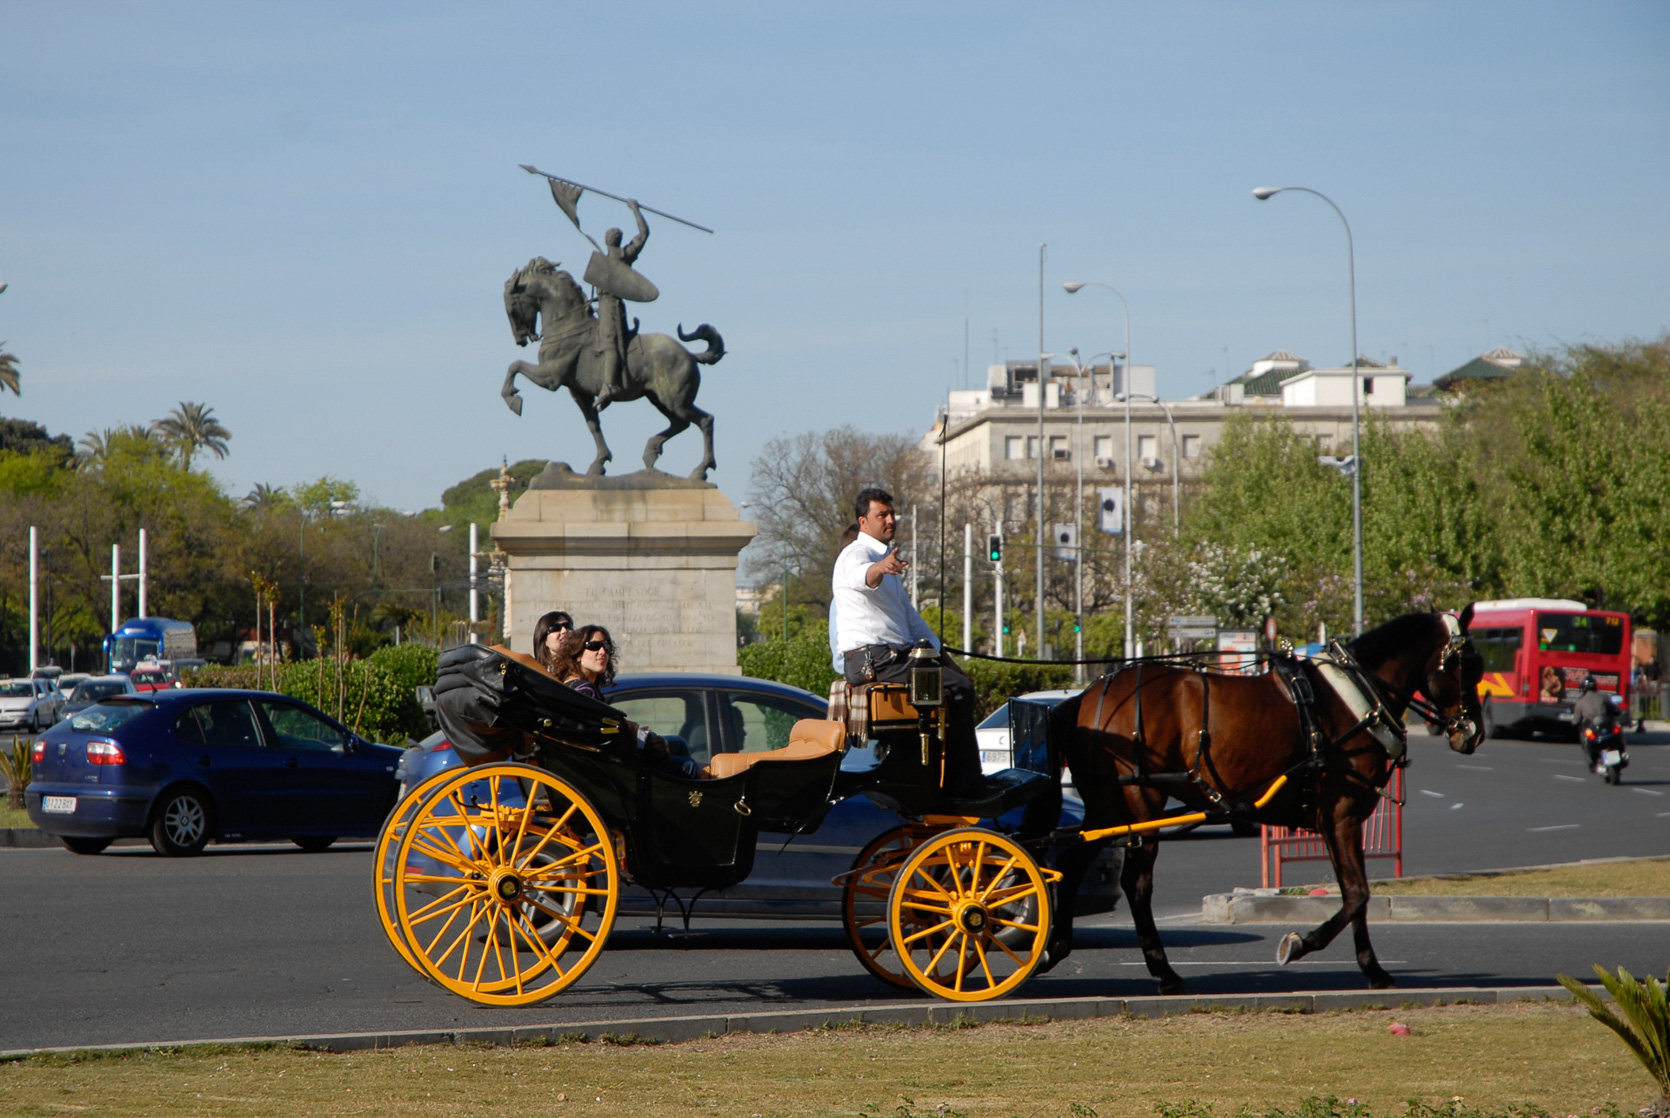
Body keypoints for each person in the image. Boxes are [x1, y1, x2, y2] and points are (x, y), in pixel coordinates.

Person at [831, 487, 989, 798]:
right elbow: (863, 577)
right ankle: (961, 784)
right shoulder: (856, 555)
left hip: (894, 656)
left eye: (891, 514)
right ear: (863, 521)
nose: (890, 520)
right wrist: (880, 568)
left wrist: (942, 654)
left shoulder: (884, 558)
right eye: (882, 515)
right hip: (874, 661)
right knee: (958, 690)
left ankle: (940, 775)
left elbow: (911, 620)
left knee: (958, 681)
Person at [549, 624, 700, 778]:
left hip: (610, 756)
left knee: (679, 742)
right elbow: (601, 738)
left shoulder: (574, 685)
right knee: (689, 766)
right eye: (594, 646)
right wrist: (643, 743)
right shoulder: (584, 690)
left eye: (606, 647)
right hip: (610, 765)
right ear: (578, 654)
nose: (602, 652)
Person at [593, 201, 648, 410]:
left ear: (607, 242)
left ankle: (609, 385)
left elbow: (643, 236)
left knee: (610, 343)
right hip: (603, 307)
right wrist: (635, 211)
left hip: (612, 310)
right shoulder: (612, 259)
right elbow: (643, 234)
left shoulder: (619, 258)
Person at [1572, 674, 1615, 770]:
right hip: (1606, 727)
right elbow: (1614, 709)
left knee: (1584, 738)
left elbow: (1575, 721)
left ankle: (1592, 762)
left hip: (1597, 729)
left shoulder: (1580, 702)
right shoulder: (1604, 697)